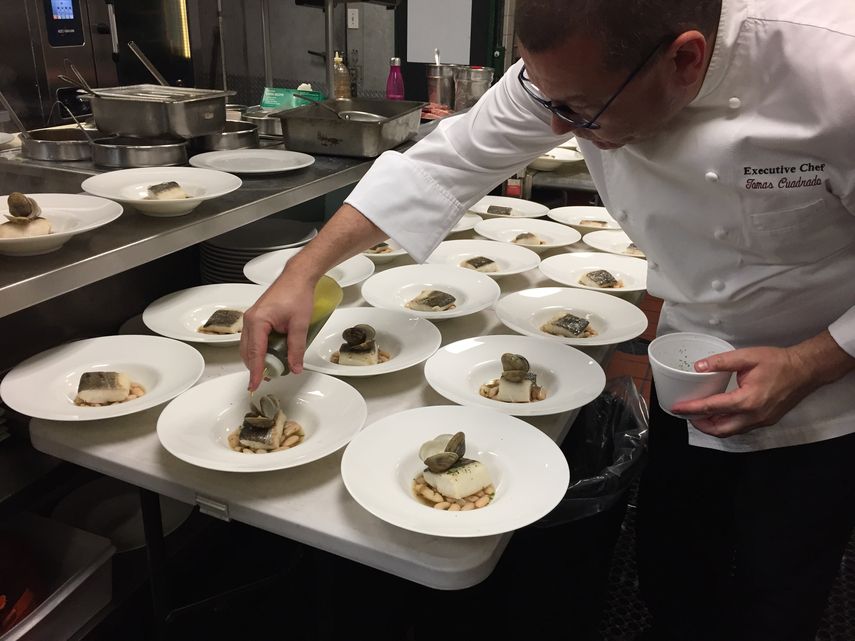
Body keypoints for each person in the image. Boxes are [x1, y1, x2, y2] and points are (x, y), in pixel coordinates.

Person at [241, 0, 855, 638]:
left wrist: (812, 362)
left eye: (580, 111)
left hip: (830, 388)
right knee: (676, 562)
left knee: (777, 586)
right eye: (550, 104)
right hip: (691, 363)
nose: (562, 125)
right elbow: (440, 164)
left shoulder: (836, 68)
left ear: (686, 58)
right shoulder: (569, 74)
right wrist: (303, 271)